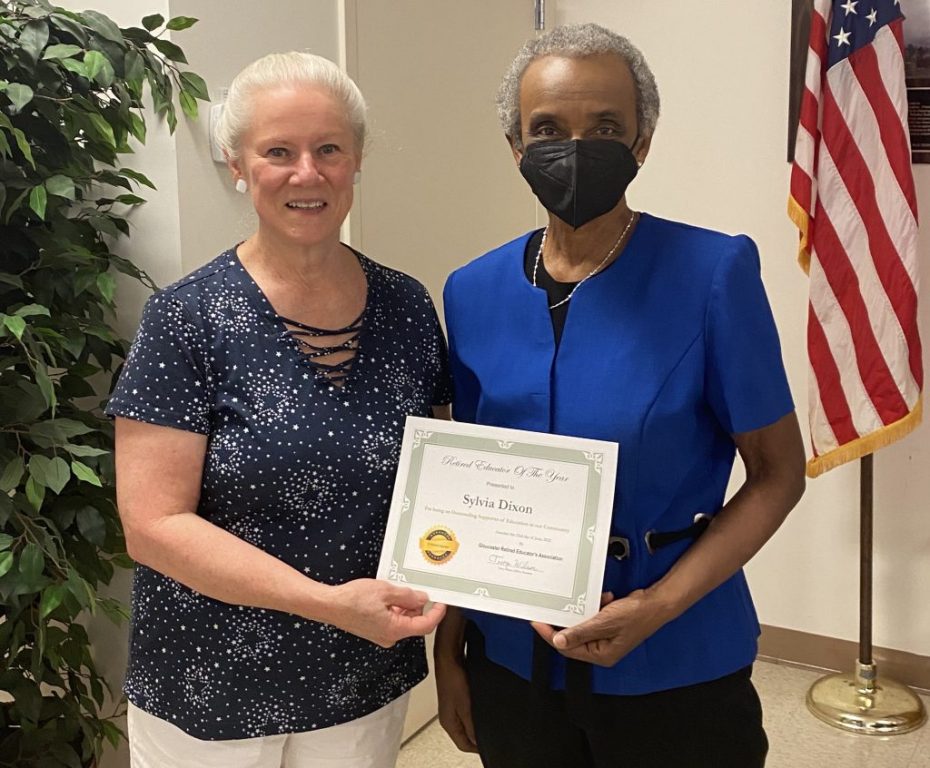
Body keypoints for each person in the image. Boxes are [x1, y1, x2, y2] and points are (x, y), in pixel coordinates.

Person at [436, 23, 806, 768]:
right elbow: (466, 492)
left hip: (677, 658)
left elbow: (778, 474)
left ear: (642, 141)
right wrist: (450, 651)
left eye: (605, 126)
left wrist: (659, 606)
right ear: (515, 147)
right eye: (547, 128)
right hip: (512, 658)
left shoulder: (712, 274)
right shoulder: (470, 291)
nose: (575, 147)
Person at [106, 52, 450, 767]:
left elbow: (442, 485)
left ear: (356, 161)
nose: (307, 173)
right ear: (238, 165)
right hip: (210, 687)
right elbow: (152, 526)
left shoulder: (409, 309)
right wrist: (328, 603)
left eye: (328, 149)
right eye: (278, 152)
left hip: (363, 671)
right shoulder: (187, 320)